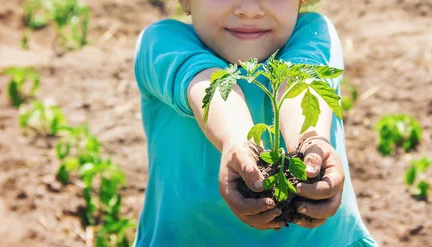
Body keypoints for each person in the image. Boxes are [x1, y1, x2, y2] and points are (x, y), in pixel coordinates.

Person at [132, 0, 377, 246]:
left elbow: (299, 82)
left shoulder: (314, 32)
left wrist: (310, 143)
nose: (249, 10)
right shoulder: (161, 42)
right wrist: (237, 141)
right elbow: (205, 83)